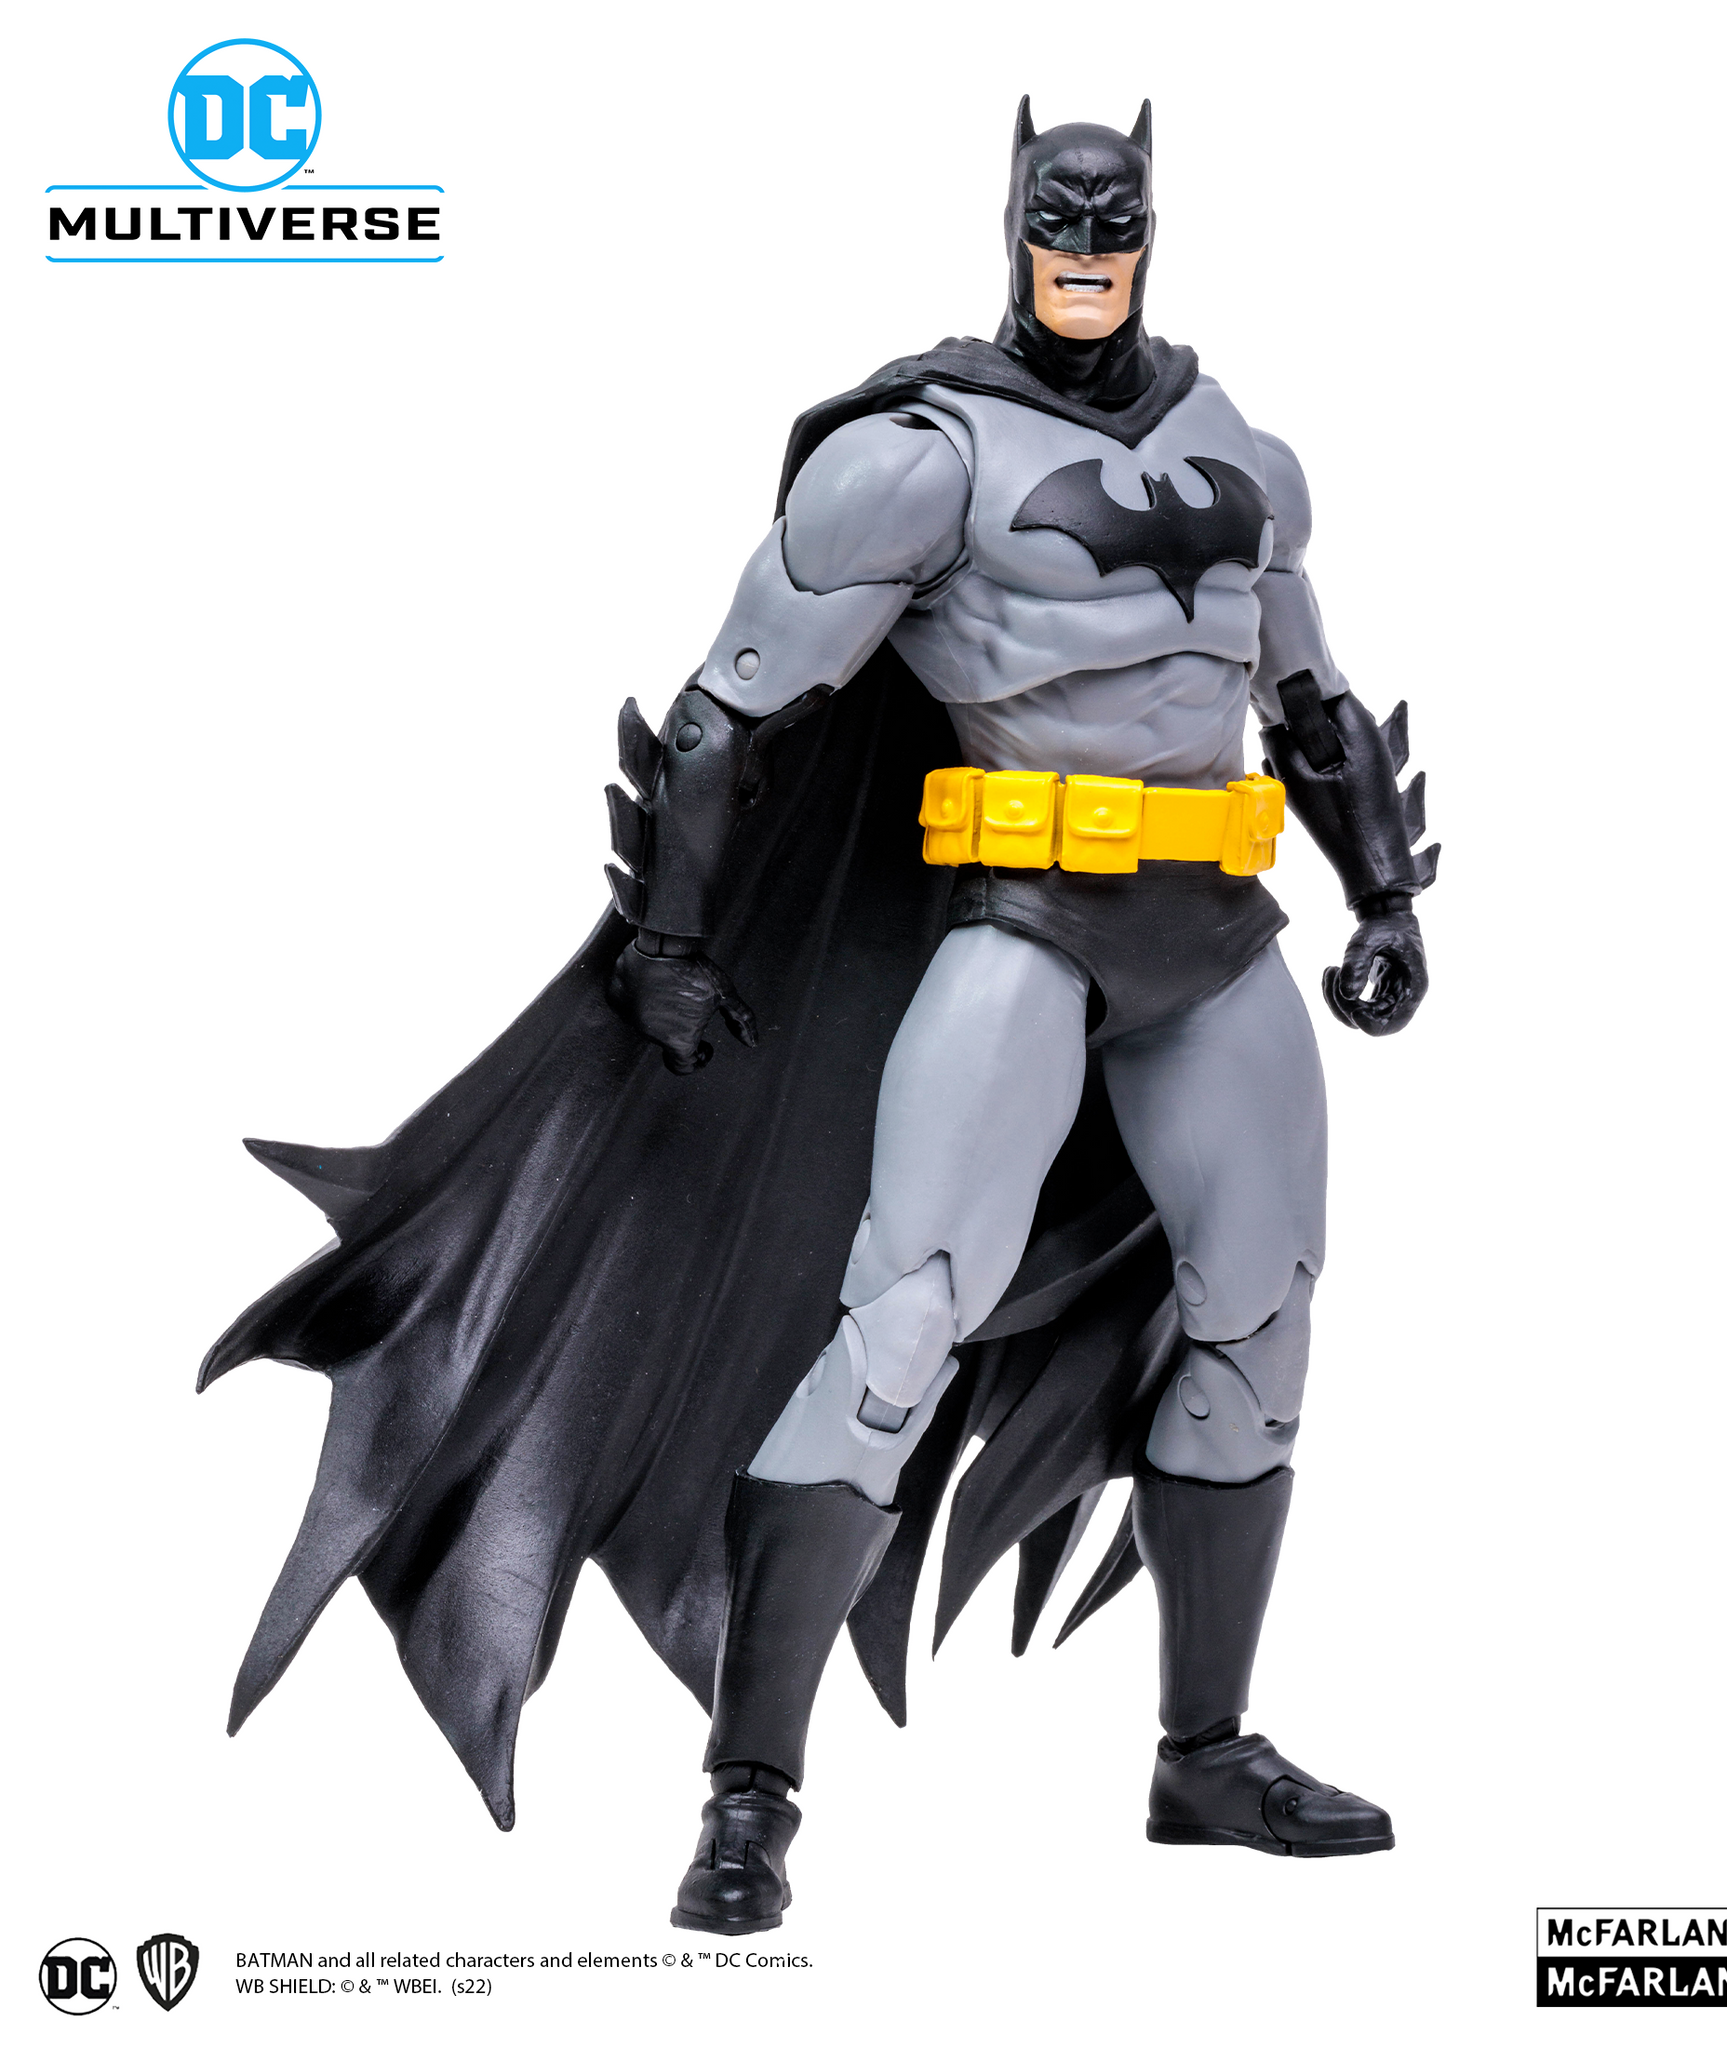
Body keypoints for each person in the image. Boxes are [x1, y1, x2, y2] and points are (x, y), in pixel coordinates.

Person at [204, 96, 1435, 1940]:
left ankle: (1204, 1753)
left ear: (1151, 228)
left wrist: (1386, 892)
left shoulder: (1239, 450)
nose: (1084, 241)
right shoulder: (919, 459)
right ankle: (749, 1797)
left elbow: (1313, 697)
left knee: (1258, 1321)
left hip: (1216, 935)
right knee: (896, 1327)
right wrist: (671, 938)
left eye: (1112, 216)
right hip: (1020, 921)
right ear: (1014, 222)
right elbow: (735, 712)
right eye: (1057, 214)